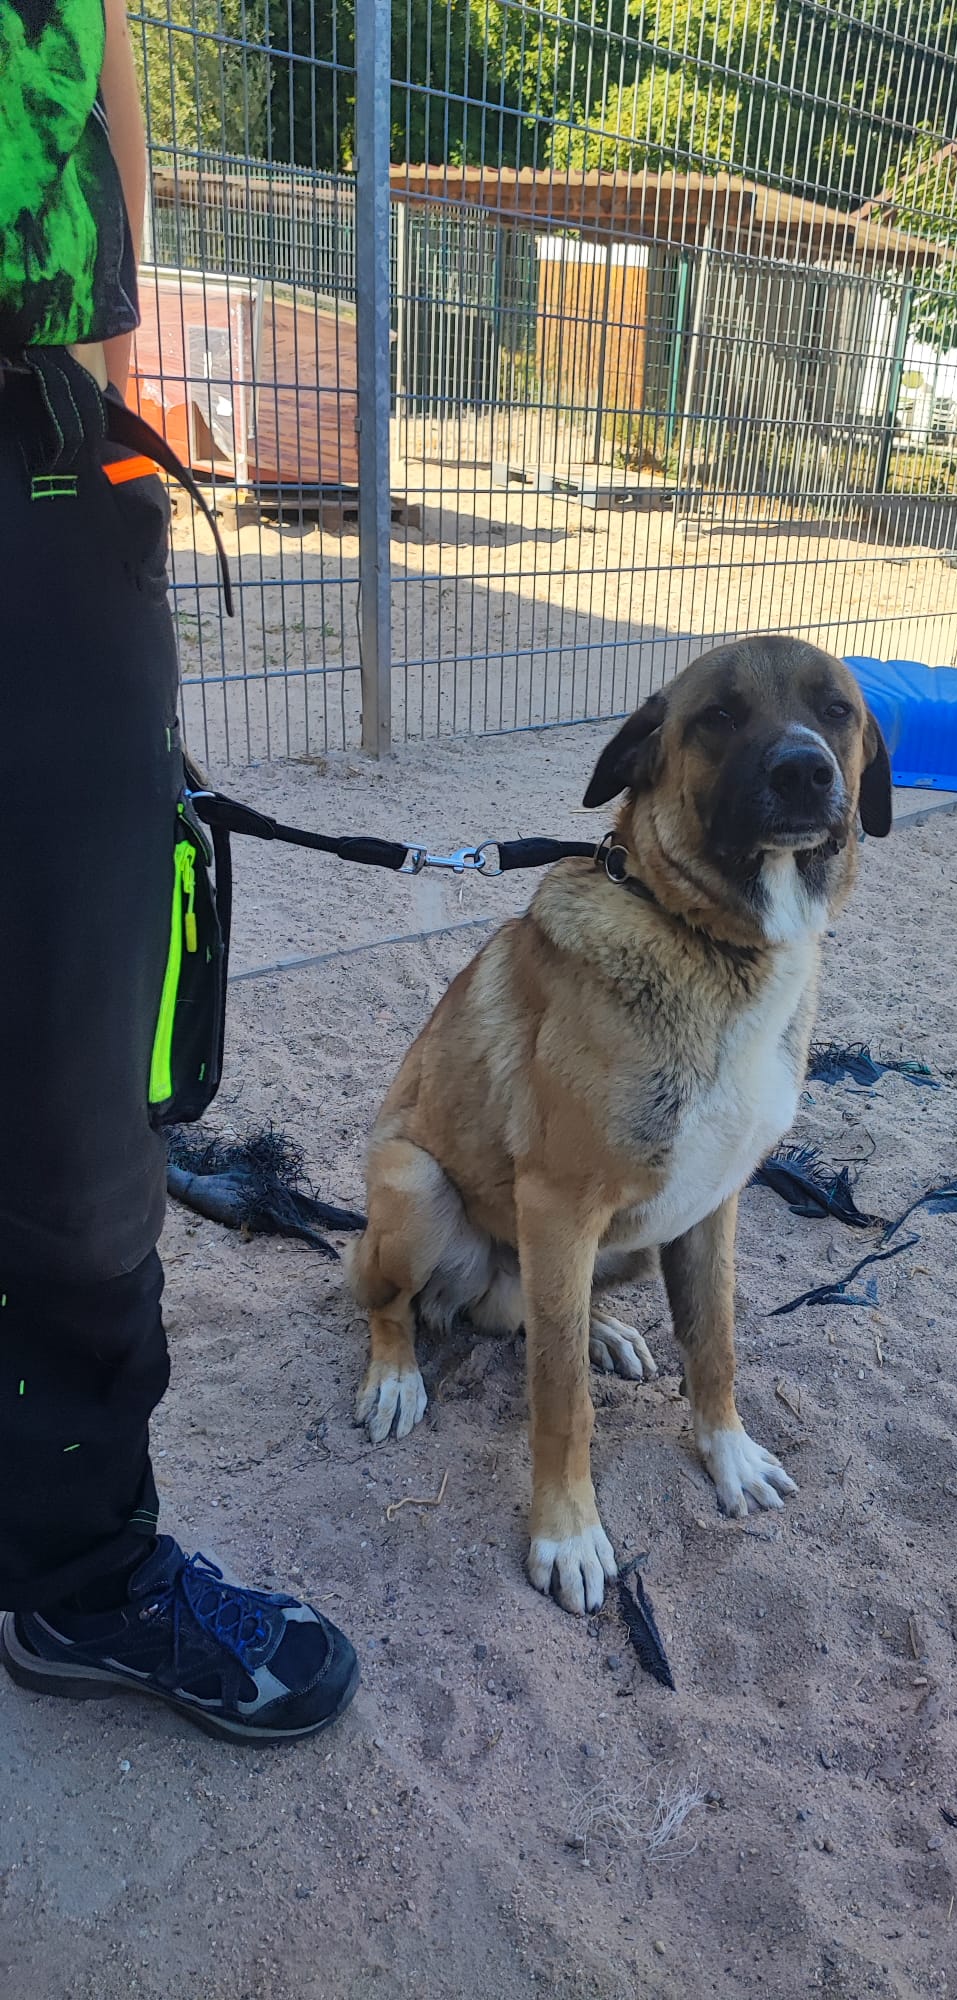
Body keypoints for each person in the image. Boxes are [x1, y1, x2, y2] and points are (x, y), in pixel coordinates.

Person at [0, 0, 358, 1742]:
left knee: (84, 1077)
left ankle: (75, 1567)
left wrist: (101, 386)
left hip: (33, 441)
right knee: (74, 1085)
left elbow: (85, 30)